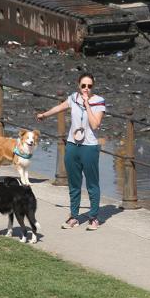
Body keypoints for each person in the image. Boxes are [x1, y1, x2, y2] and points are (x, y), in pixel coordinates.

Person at [36, 73, 106, 231]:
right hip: (73, 145)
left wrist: (87, 104)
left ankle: (93, 217)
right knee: (74, 183)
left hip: (89, 147)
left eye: (89, 86)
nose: (86, 89)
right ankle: (74, 216)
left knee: (92, 183)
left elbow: (95, 125)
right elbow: (60, 107)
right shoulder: (73, 98)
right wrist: (44, 115)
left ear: (93, 87)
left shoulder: (98, 101)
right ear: (78, 85)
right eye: (83, 86)